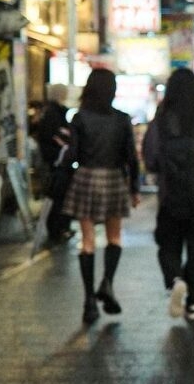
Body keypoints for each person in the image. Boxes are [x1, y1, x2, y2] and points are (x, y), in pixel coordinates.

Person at [142, 68, 194, 322]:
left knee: (168, 244)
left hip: (171, 196)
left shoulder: (162, 117)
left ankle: (175, 279)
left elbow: (151, 156)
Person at [62, 69, 140, 325]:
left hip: (85, 178)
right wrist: (134, 189)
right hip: (114, 178)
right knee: (114, 237)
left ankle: (89, 303)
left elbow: (72, 155)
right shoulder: (122, 119)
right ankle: (107, 282)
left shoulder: (79, 118)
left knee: (87, 242)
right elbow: (131, 157)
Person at [34, 83, 73, 241]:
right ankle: (57, 230)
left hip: (55, 161)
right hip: (57, 162)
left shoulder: (50, 112)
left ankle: (58, 229)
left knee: (57, 197)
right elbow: (56, 136)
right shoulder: (54, 113)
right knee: (58, 197)